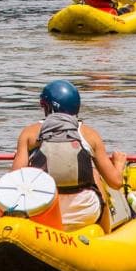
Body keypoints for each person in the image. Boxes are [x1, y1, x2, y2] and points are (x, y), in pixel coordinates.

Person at [13, 79, 128, 230]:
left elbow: (15, 180)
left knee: (29, 172)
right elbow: (115, 182)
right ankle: (105, 234)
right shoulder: (90, 135)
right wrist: (118, 164)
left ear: (48, 107)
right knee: (94, 174)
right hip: (85, 212)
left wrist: (25, 163)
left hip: (42, 211)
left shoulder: (29, 133)